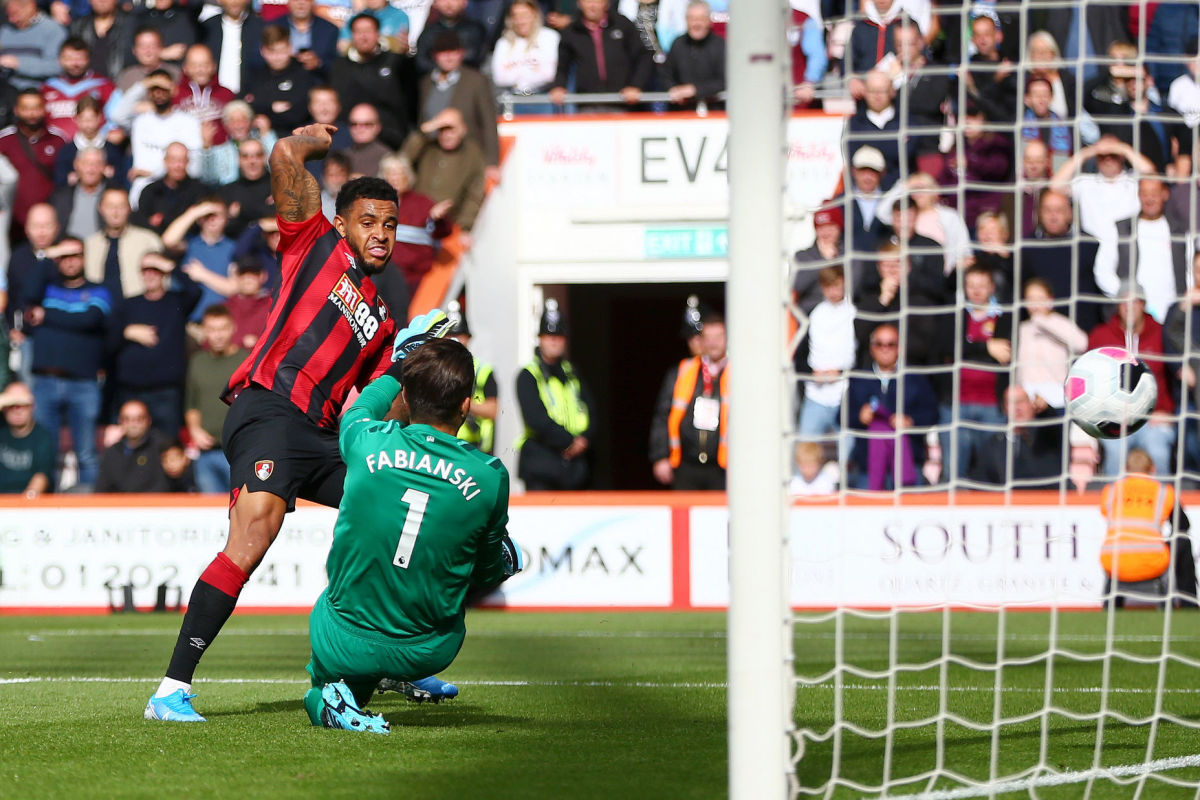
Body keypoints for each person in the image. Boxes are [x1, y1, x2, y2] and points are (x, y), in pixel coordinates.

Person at [144, 121, 448, 723]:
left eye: (389, 224)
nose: (381, 234)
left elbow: (381, 405)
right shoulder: (313, 242)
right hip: (271, 410)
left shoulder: (386, 319)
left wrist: (410, 364)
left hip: (325, 434)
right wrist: (312, 138)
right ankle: (170, 689)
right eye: (368, 221)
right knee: (255, 533)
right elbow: (284, 157)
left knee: (394, 513)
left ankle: (385, 664)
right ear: (341, 223)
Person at [302, 336, 522, 734]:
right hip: (429, 649)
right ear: (467, 405)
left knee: (327, 674)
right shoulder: (489, 476)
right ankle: (387, 676)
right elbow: (488, 573)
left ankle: (326, 697)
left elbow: (364, 405)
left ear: (405, 395)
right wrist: (504, 563)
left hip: (343, 639)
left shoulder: (366, 441)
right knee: (499, 555)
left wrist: (397, 359)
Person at [25, 238, 112, 491]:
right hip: (45, 381)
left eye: (75, 254)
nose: (70, 261)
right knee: (45, 453)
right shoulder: (46, 288)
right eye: (64, 256)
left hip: (82, 383)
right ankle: (45, 505)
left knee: (85, 452)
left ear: (84, 258)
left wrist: (47, 315)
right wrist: (47, 256)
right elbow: (29, 296)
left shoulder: (99, 290)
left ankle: (89, 507)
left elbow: (88, 320)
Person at [1087, 281, 1176, 477]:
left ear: (1143, 304)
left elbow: (1176, 376)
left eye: (1134, 301)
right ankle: (1114, 503)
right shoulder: (1101, 336)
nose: (1129, 307)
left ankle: (1162, 504)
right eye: (1123, 302)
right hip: (1115, 419)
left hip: (1154, 419)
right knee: (1115, 452)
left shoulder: (1161, 334)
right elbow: (1088, 382)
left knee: (1158, 450)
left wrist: (1166, 412)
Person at [109, 251, 201, 435]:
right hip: (131, 390)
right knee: (132, 446)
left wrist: (170, 266)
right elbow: (107, 341)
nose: (150, 274)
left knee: (167, 447)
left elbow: (195, 291)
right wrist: (126, 332)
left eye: (155, 269)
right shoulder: (127, 305)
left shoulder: (176, 302)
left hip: (166, 392)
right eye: (145, 269)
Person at [1100, 447, 1198, 609]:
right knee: (1183, 542)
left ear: (1126, 470)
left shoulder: (1110, 491)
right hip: (1152, 562)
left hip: (1114, 562)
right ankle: (1189, 606)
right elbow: (1183, 526)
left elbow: (1106, 514)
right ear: (1153, 470)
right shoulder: (1163, 492)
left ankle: (1113, 605)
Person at [845, 322, 939, 490]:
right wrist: (859, 416)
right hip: (868, 468)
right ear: (872, 348)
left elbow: (932, 413)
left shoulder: (915, 378)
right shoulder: (859, 378)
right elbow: (842, 416)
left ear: (899, 347)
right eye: (879, 344)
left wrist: (911, 421)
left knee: (911, 515)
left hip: (908, 465)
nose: (885, 349)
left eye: (890, 344)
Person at [516, 299, 593, 491]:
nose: (554, 340)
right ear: (539, 338)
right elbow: (536, 419)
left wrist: (583, 439)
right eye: (548, 335)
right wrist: (569, 442)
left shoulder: (571, 372)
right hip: (541, 463)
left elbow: (591, 409)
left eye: (559, 335)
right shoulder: (528, 374)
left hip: (573, 467)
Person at [649, 310, 727, 490]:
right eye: (709, 336)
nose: (714, 342)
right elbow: (662, 414)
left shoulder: (736, 372)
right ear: (701, 340)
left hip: (723, 467)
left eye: (719, 336)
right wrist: (660, 456)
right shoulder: (683, 371)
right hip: (686, 465)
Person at [419, 31, 499, 181]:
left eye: (453, 52)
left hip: (466, 153)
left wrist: (491, 162)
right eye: (443, 52)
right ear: (435, 56)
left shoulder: (476, 80)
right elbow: (423, 118)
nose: (449, 57)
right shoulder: (426, 83)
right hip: (433, 154)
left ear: (461, 54)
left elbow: (488, 122)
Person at [1112, 175, 1191, 324]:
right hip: (1133, 316)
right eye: (1145, 194)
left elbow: (1190, 271)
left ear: (1165, 194)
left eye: (1154, 194)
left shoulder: (1180, 231)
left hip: (1173, 314)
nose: (1149, 200)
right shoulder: (1123, 228)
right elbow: (1103, 269)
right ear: (1138, 196)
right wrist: (1123, 294)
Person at [330, 13, 414, 150]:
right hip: (350, 143)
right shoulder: (339, 66)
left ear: (377, 34)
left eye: (368, 31)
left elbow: (409, 98)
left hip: (390, 139)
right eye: (359, 31)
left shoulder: (395, 62)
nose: (364, 36)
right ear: (352, 35)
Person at [549, 0, 653, 110]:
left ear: (606, 3)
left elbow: (643, 56)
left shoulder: (622, 24)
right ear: (579, 3)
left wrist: (636, 85)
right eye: (588, 2)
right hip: (587, 104)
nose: (592, 6)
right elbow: (563, 65)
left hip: (623, 102)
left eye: (597, 1)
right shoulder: (572, 31)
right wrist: (559, 86)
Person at [796, 266, 855, 459]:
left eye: (837, 285)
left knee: (849, 455)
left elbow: (858, 352)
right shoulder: (814, 315)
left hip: (845, 395)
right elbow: (801, 354)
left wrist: (839, 371)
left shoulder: (853, 312)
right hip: (816, 395)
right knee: (805, 452)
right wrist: (813, 374)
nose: (833, 291)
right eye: (828, 286)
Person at [185, 304, 243, 494]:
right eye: (212, 330)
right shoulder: (197, 362)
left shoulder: (246, 360)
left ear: (233, 328)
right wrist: (194, 430)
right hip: (206, 453)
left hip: (239, 452)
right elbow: (191, 403)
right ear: (204, 331)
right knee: (211, 518)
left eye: (222, 329)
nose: (218, 335)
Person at [968, 384, 1065, 490]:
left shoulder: (1047, 435)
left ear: (1032, 405)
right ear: (1004, 409)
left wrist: (1046, 410)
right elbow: (980, 479)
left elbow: (1055, 426)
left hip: (1047, 501)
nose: (1017, 407)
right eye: (1012, 402)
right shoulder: (993, 444)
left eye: (1022, 401)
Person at [0, 90, 66, 232]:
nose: (31, 114)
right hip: (12, 223)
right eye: (26, 109)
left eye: (36, 108)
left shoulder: (58, 139)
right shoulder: (4, 140)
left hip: (48, 223)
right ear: (17, 110)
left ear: (44, 109)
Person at [84, 187, 164, 302]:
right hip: (98, 308)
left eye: (121, 206)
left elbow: (163, 281)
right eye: (110, 206)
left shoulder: (149, 241)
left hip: (137, 309)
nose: (115, 212)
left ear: (129, 208)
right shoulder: (89, 245)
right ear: (100, 208)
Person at [445, 300, 497, 454]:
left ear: (468, 338)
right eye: (450, 334)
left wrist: (461, 403)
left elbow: (493, 410)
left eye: (460, 334)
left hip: (474, 448)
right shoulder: (434, 370)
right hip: (445, 445)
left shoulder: (483, 371)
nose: (455, 339)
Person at [95, 398, 172, 492]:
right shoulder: (112, 453)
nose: (133, 424)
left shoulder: (164, 447)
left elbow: (182, 484)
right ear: (120, 421)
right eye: (127, 419)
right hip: (122, 505)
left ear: (148, 420)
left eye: (139, 419)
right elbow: (101, 491)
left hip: (157, 505)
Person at [490, 0, 559, 102]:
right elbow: (499, 78)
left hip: (543, 98)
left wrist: (515, 71)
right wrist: (531, 71)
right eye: (516, 16)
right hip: (513, 99)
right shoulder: (503, 42)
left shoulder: (550, 37)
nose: (520, 21)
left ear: (535, 16)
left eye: (525, 15)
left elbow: (549, 74)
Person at [662, 1, 725, 110]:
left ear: (709, 21)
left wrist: (694, 90)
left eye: (701, 19)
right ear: (686, 21)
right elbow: (665, 73)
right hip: (681, 112)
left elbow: (725, 80)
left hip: (714, 112)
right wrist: (673, 89)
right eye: (692, 19)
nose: (696, 24)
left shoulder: (720, 45)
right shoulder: (678, 44)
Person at [0, 381, 55, 498]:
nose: (17, 409)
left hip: (27, 506)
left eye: (23, 405)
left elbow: (41, 477)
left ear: (32, 406)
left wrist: (23, 505)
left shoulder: (42, 437)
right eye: (11, 405)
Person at [0, 0, 67, 90]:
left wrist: (18, 63)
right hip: (5, 93)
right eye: (8, 15)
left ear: (30, 6)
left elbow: (57, 67)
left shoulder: (53, 30)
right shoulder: (5, 31)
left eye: (15, 13)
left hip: (38, 93)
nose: (11, 19)